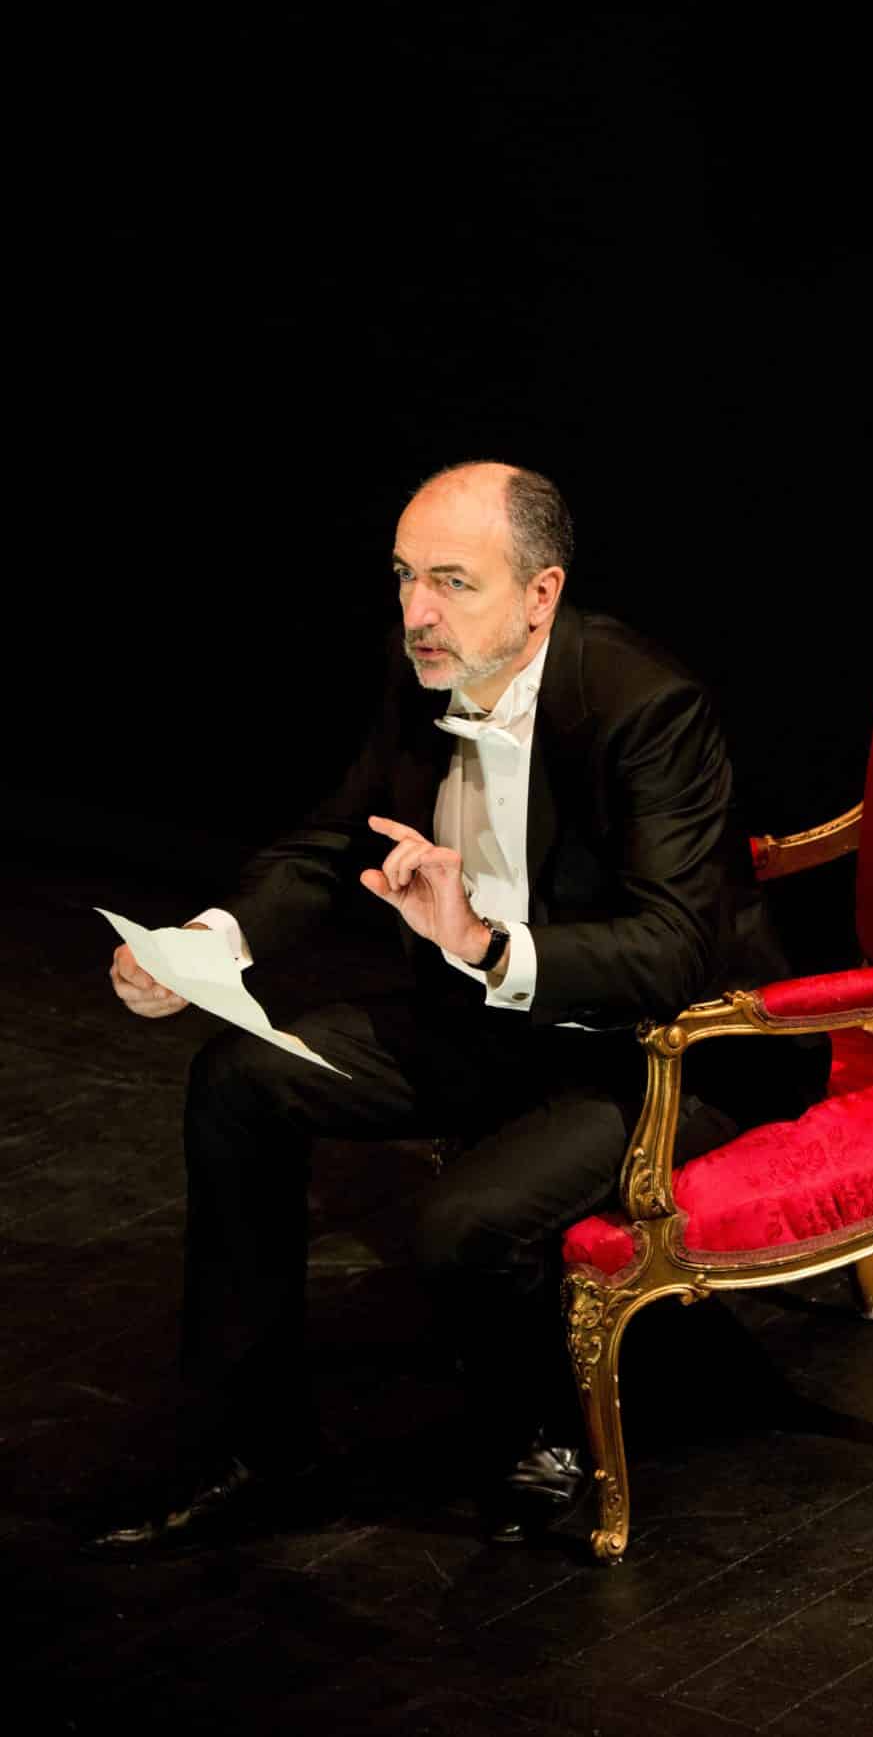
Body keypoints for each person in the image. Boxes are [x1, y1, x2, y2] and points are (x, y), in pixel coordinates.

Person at [91, 460, 827, 1554]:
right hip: (490, 1016)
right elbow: (334, 841)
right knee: (240, 1079)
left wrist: (484, 943)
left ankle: (546, 1428)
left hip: (659, 1045)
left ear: (540, 594)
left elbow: (675, 948)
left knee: (462, 1226)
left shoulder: (646, 705)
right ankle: (250, 1438)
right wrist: (209, 943)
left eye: (450, 581)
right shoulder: (428, 670)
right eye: (403, 577)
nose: (416, 612)